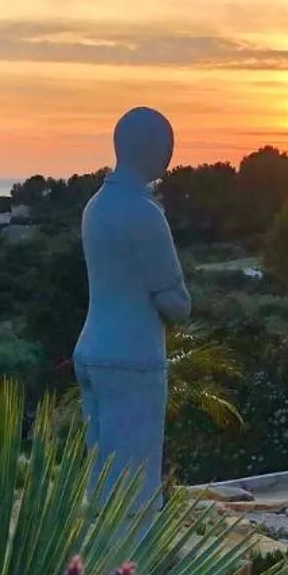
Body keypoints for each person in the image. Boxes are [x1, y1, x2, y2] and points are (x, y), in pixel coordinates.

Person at [74, 106, 191, 508]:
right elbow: (176, 303)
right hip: (132, 358)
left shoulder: (96, 207)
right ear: (155, 149)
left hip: (93, 349)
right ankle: (129, 570)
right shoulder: (144, 214)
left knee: (101, 487)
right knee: (134, 494)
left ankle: (98, 564)